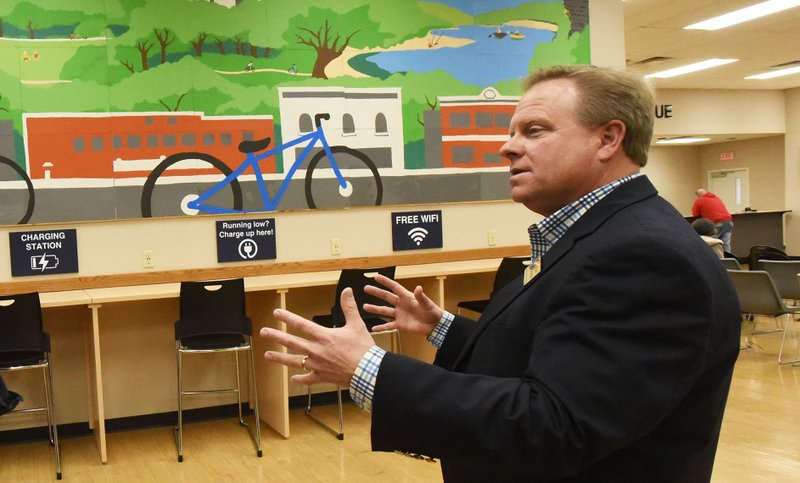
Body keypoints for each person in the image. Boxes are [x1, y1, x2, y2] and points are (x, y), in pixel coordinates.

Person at [260, 65, 741, 481]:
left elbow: (553, 425)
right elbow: (551, 353)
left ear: (608, 138)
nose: (507, 148)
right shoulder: (606, 235)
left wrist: (368, 368)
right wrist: (439, 328)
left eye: (534, 131)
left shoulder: (644, 256)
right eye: (512, 132)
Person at [692, 188, 734, 253]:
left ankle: (711, 260)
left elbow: (695, 214)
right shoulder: (717, 198)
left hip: (717, 223)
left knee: (711, 243)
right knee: (726, 244)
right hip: (729, 222)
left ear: (698, 195)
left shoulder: (699, 200)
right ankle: (727, 261)